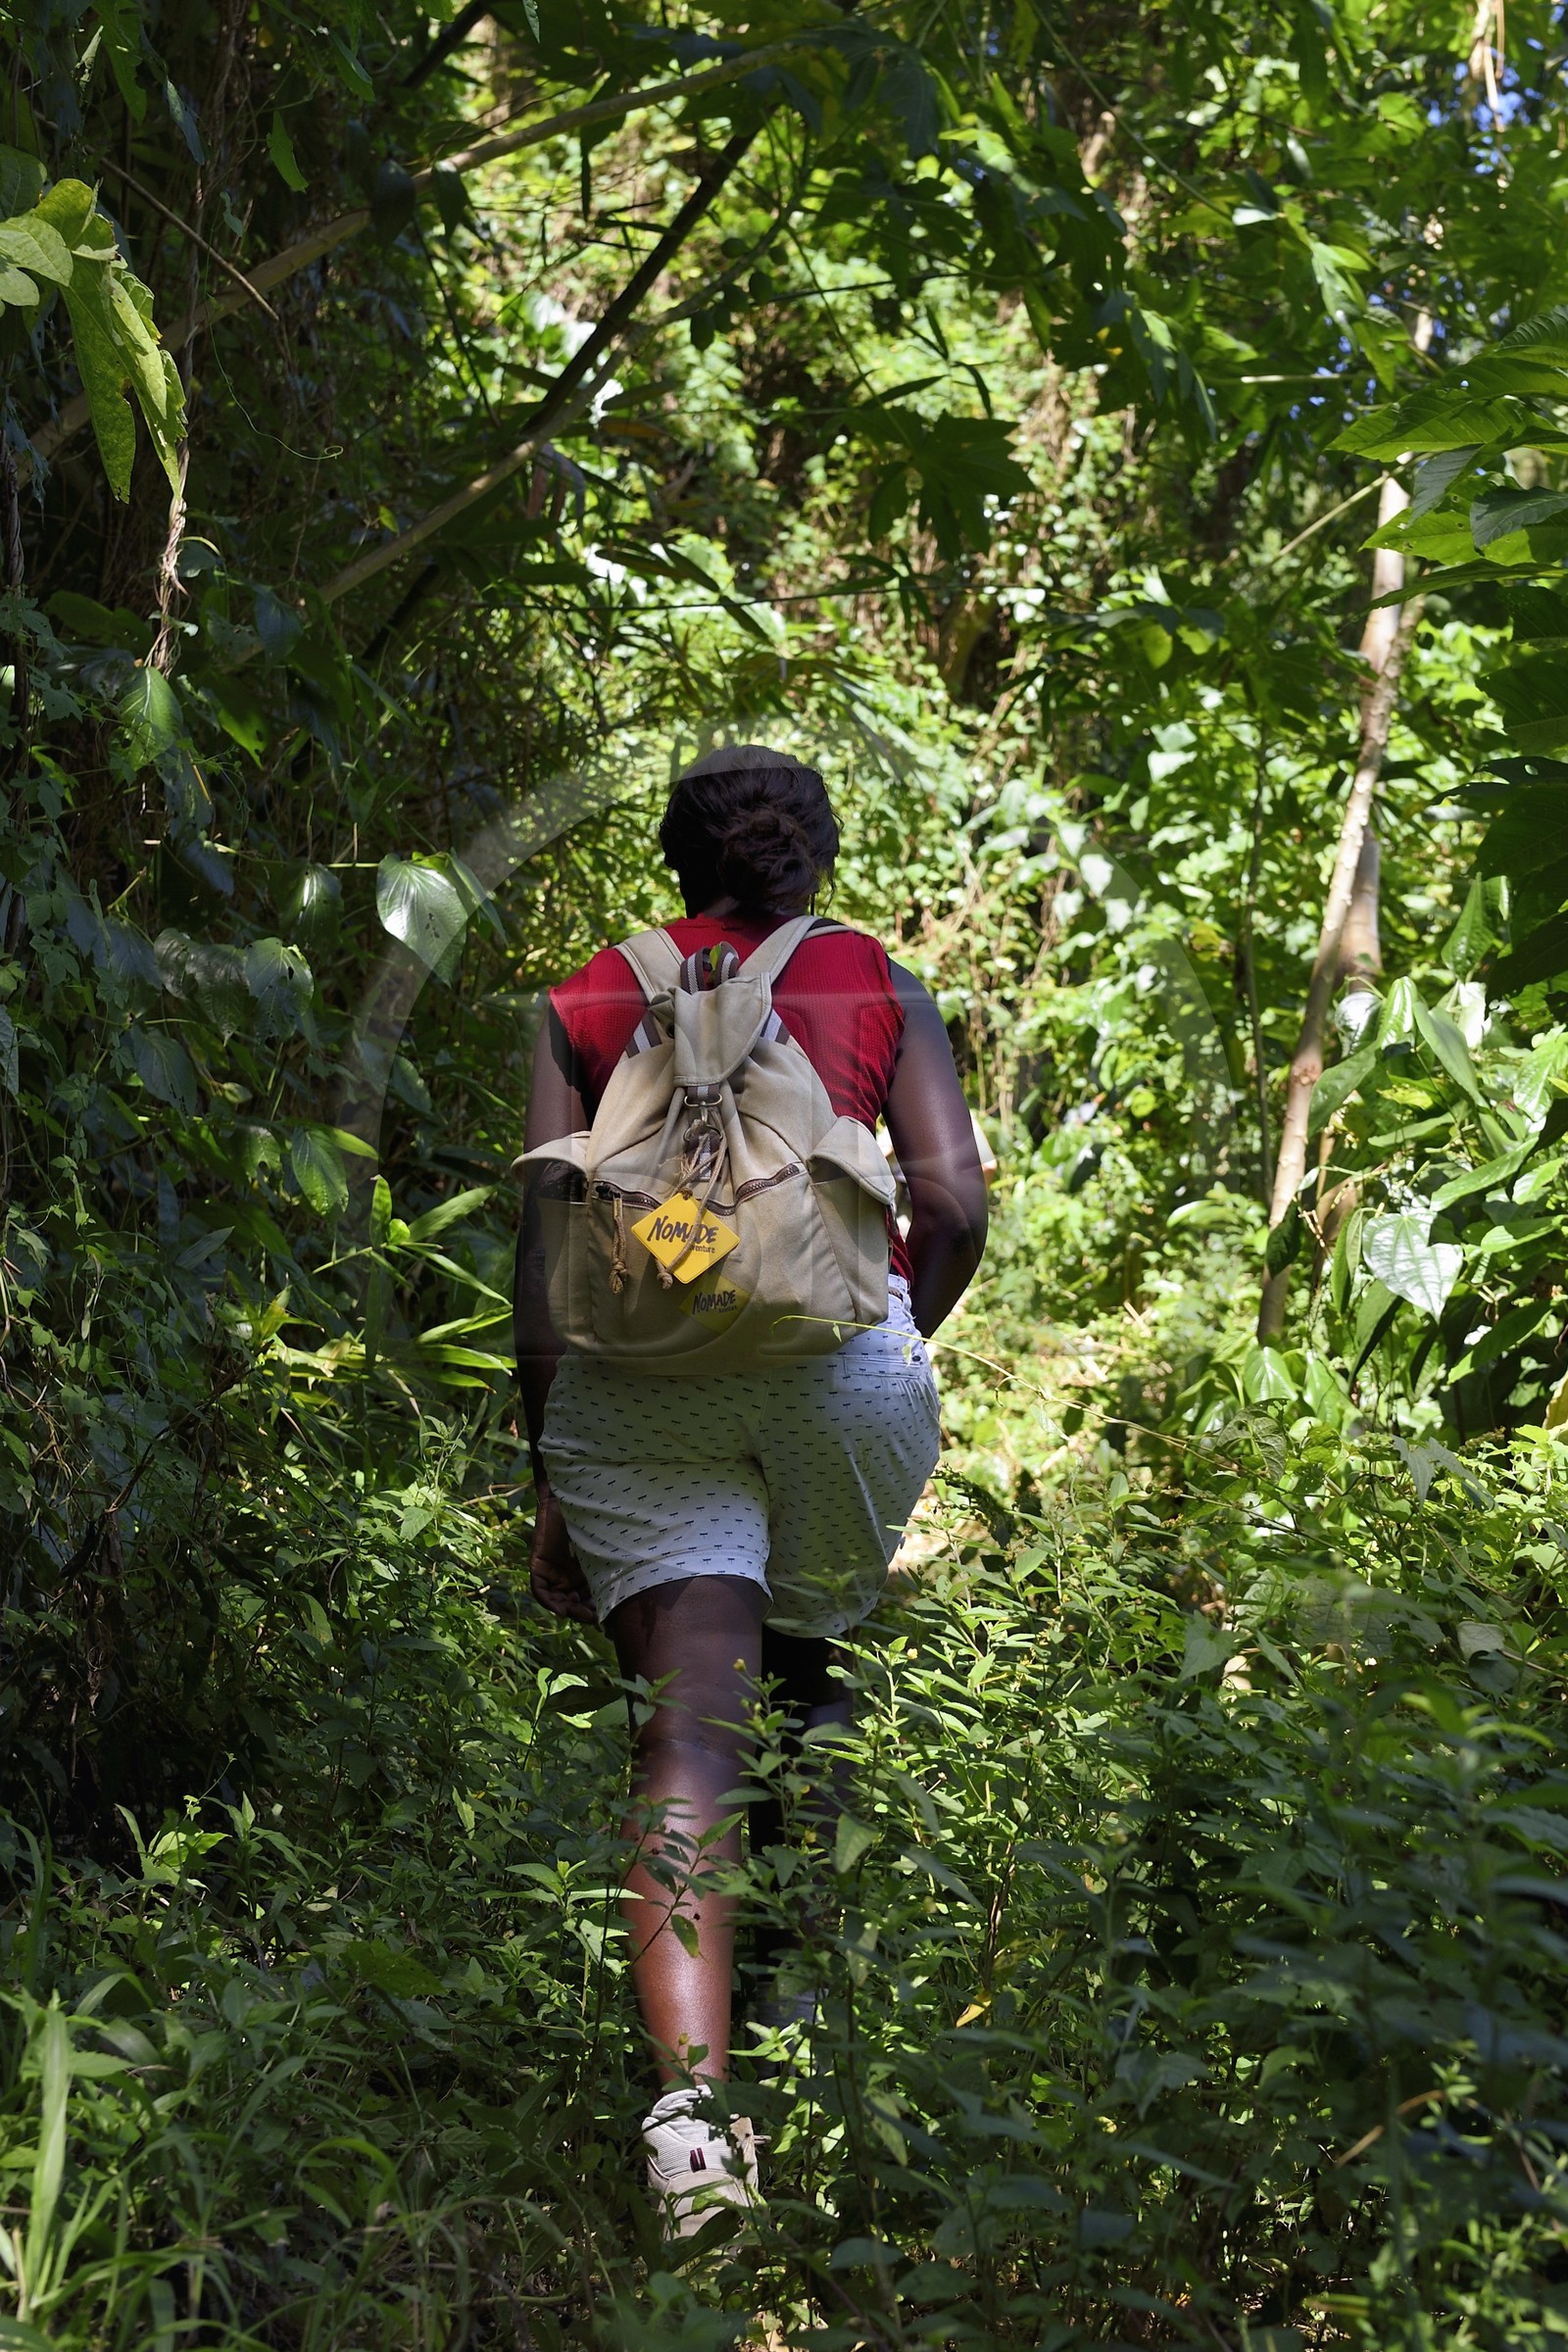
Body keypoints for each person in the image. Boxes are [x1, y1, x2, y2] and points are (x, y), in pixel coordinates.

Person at [513, 744, 988, 2232]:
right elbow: (955, 1199)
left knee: (689, 1718)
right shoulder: (871, 981)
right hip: (839, 1365)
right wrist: (891, 1335)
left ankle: (693, 2132)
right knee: (812, 1652)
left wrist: (549, 1464)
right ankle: (798, 2009)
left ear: (673, 856)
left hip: (632, 1387)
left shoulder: (586, 993)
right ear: (816, 858)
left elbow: (544, 1249)